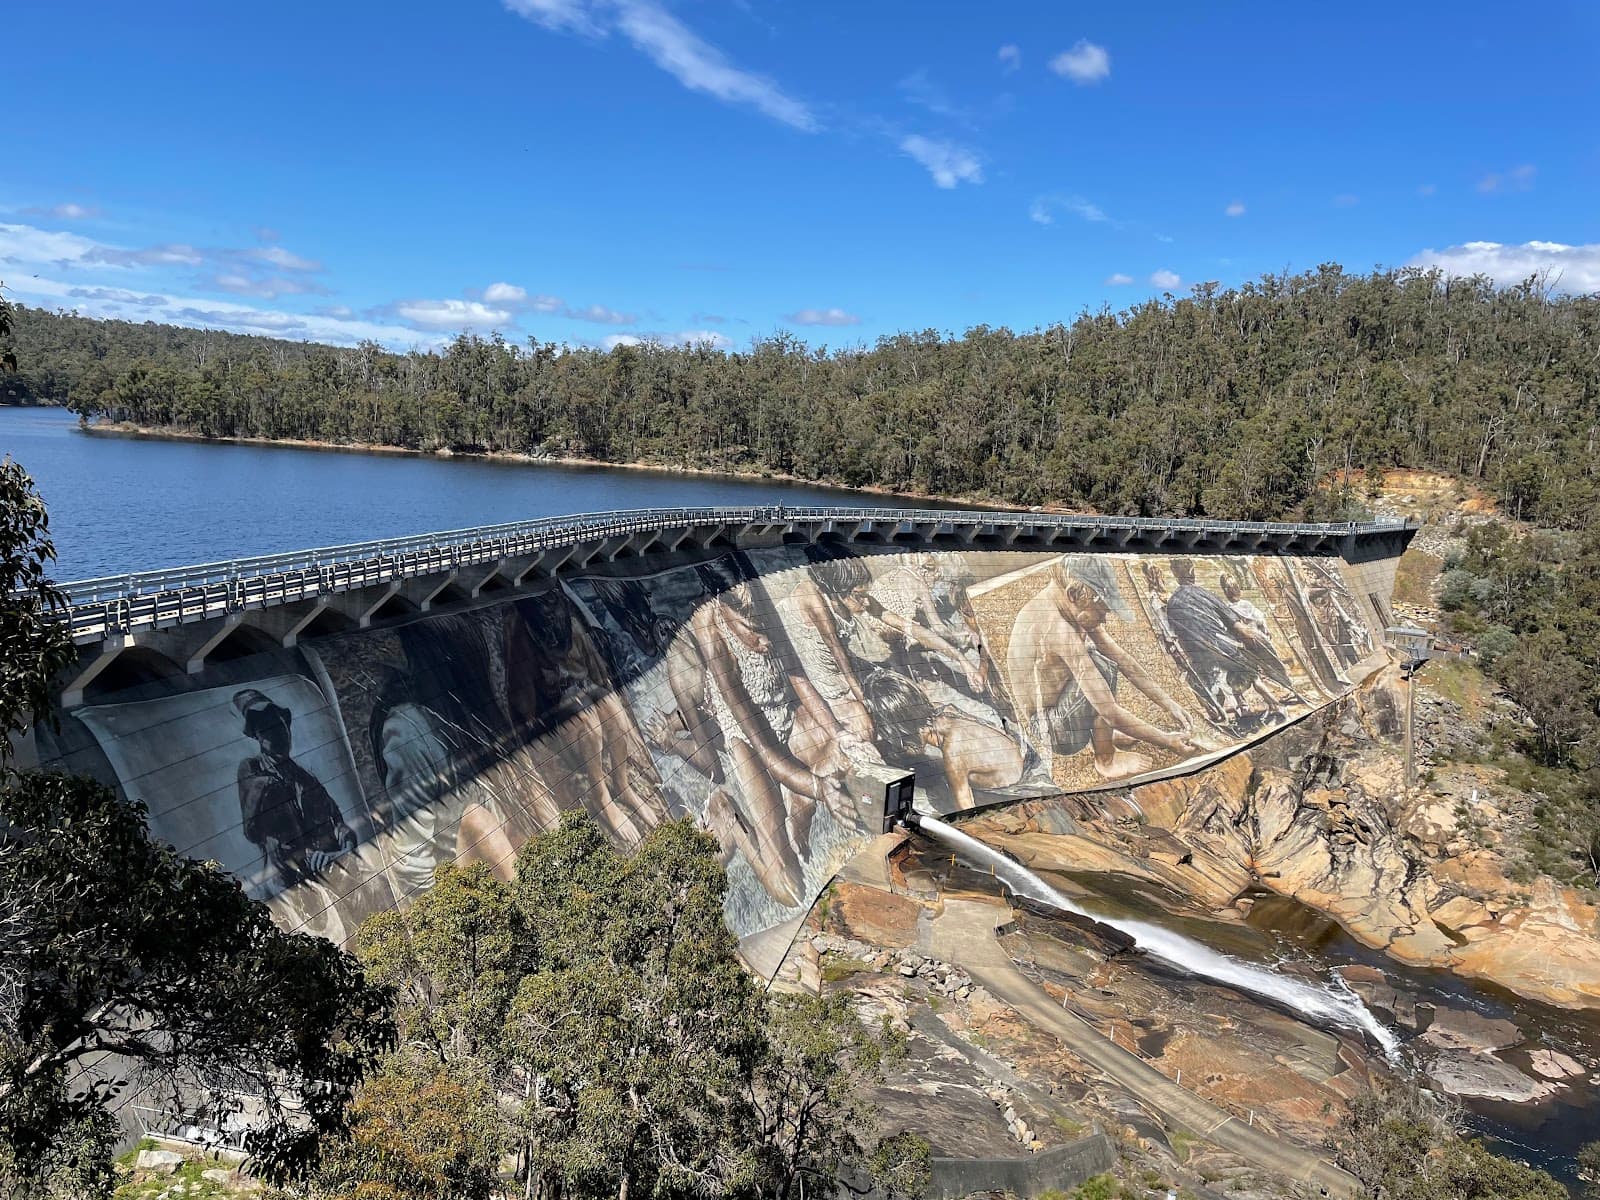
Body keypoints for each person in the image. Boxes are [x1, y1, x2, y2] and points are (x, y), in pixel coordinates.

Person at [1008, 556, 1204, 781]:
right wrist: (1167, 740)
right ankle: (1106, 759)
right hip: (1052, 730)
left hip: (1060, 708)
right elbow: (1109, 711)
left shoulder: (1067, 603)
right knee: (1098, 666)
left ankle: (1102, 732)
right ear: (1074, 595)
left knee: (1101, 660)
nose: (1104, 620)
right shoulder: (1057, 629)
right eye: (1101, 612)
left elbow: (1121, 658)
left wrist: (1168, 703)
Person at [234, 688, 356, 889]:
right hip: (288, 886)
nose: (277, 733)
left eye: (280, 724)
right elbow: (253, 829)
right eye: (266, 727)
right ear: (257, 735)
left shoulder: (306, 779)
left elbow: (337, 823)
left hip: (327, 876)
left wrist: (345, 847)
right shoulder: (252, 770)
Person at [1164, 560, 1301, 725]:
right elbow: (1236, 625)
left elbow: (1179, 637)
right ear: (1192, 572)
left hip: (1199, 653)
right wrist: (1254, 643)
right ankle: (1274, 705)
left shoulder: (1172, 604)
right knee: (1251, 673)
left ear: (1174, 573)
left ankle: (1231, 712)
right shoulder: (1205, 594)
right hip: (1222, 645)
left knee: (1213, 682)